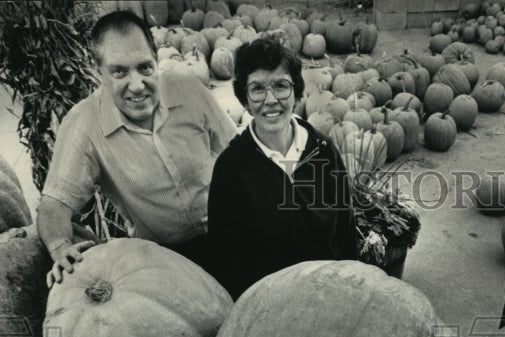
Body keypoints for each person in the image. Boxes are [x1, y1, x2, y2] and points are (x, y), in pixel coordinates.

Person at [37, 9, 236, 286]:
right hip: (165, 258)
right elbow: (54, 205)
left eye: (144, 68)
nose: (136, 85)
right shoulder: (85, 125)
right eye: (119, 71)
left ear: (156, 61)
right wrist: (60, 247)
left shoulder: (187, 87)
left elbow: (237, 153)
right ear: (99, 73)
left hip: (231, 230)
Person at [207, 37, 358, 301]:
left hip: (329, 296)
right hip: (269, 308)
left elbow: (346, 232)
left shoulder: (323, 151)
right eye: (257, 88)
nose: (270, 100)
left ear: (296, 91)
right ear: (244, 99)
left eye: (281, 86)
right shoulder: (231, 169)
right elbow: (226, 260)